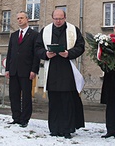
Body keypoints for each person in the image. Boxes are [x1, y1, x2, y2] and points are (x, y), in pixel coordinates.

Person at [35, 9, 85, 139]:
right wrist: (45, 54)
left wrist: (69, 53)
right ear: (52, 18)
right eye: (56, 19)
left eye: (60, 19)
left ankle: (67, 129)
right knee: (54, 101)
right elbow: (37, 48)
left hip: (67, 70)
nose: (58, 21)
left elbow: (80, 46)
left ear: (65, 18)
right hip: (52, 70)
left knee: (67, 101)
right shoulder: (45, 31)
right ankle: (54, 128)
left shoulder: (73, 30)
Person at [5, 11, 40, 128]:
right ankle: (16, 117)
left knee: (26, 96)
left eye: (22, 18)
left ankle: (25, 119)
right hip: (14, 70)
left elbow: (36, 54)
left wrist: (34, 70)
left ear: (27, 19)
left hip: (26, 71)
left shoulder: (34, 35)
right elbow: (10, 53)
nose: (19, 20)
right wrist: (7, 69)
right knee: (13, 95)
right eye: (18, 18)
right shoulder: (14, 35)